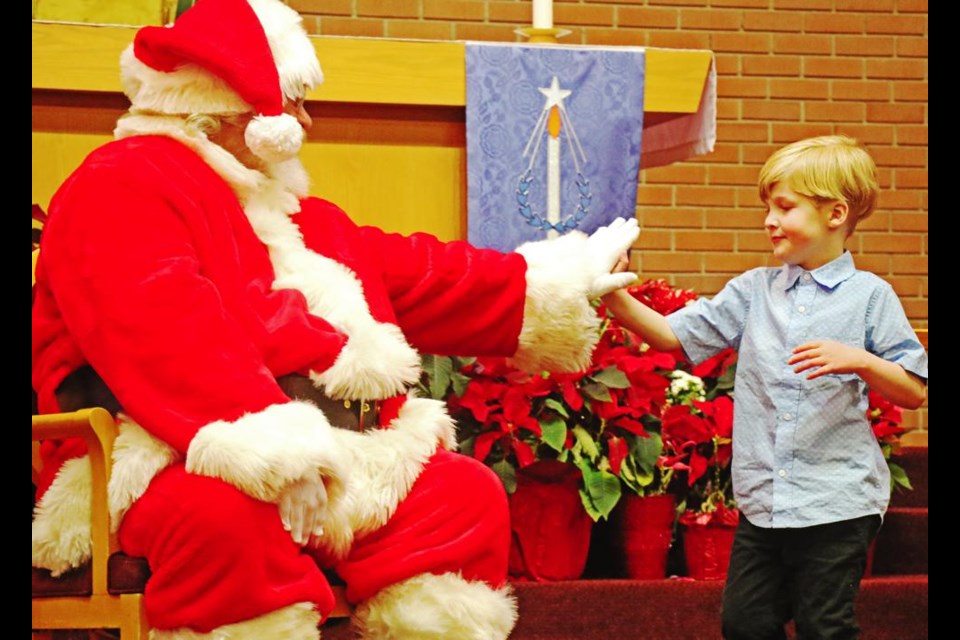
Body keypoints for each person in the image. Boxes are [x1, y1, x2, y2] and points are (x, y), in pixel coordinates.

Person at [30, 0, 640, 638]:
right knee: (226, 514)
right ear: (228, 101)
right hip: (157, 450)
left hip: (329, 452)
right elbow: (163, 333)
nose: (306, 118)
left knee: (459, 493)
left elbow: (420, 274)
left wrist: (546, 282)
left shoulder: (294, 214)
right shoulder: (119, 185)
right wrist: (280, 454)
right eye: (292, 100)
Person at [602, 134, 927, 639]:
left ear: (835, 214)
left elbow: (913, 391)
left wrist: (860, 360)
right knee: (746, 623)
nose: (769, 219)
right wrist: (619, 300)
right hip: (765, 502)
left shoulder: (870, 296)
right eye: (767, 208)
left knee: (825, 626)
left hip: (837, 503)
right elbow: (673, 335)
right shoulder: (754, 290)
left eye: (785, 207)